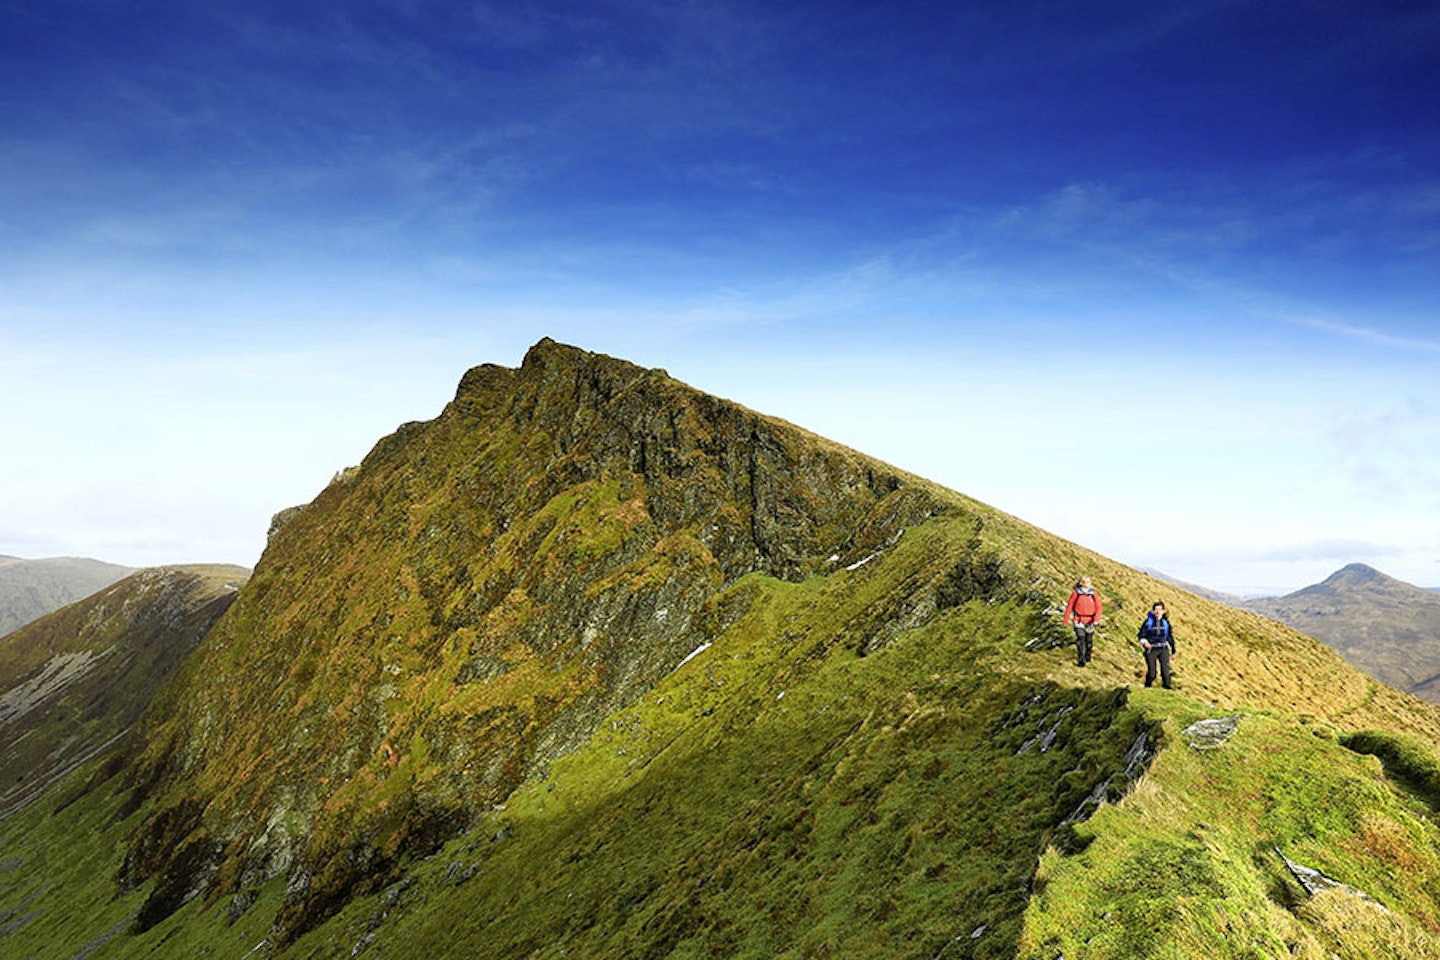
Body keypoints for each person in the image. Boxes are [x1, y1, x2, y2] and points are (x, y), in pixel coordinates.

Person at [1062, 576, 1103, 666]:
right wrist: (1066, 619)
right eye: (1083, 582)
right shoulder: (1076, 593)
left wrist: (1096, 620)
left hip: (1090, 621)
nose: (1085, 584)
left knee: (1088, 641)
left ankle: (1087, 656)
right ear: (1080, 583)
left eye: (1087, 582)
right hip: (1078, 620)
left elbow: (1099, 607)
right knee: (1080, 638)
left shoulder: (1094, 593)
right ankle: (1081, 660)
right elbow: (1069, 606)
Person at [1137, 601, 1177, 689]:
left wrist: (1173, 651)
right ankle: (1147, 688)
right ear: (1153, 611)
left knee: (1165, 673)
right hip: (1151, 649)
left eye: (1160, 610)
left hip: (1163, 649)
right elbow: (1140, 635)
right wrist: (1144, 642)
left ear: (1163, 611)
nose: (1158, 612)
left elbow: (1170, 637)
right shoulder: (1148, 623)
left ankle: (1167, 692)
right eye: (1156, 609)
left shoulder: (1166, 624)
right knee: (1152, 673)